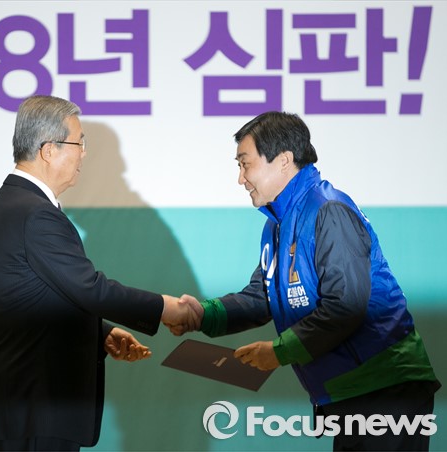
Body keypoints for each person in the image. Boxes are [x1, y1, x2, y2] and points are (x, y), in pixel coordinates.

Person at [176, 111, 440, 450]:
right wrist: (203, 314)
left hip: (385, 387)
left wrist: (278, 352)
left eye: (245, 164)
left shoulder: (328, 209)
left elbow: (345, 306)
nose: (240, 179)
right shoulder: (277, 224)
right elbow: (261, 297)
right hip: (352, 392)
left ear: (284, 161)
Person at [0, 95, 201, 451]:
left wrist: (100, 333)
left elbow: (38, 300)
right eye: (79, 143)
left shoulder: (12, 205)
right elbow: (90, 289)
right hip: (36, 407)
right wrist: (167, 308)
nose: (83, 154)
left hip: (26, 407)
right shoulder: (34, 213)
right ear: (49, 150)